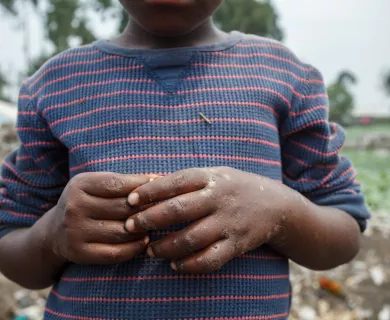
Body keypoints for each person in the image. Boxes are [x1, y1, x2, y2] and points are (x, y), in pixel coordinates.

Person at [0, 0, 370, 319]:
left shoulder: (285, 77)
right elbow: (10, 241)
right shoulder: (55, 86)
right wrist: (51, 235)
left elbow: (344, 230)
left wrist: (278, 210)